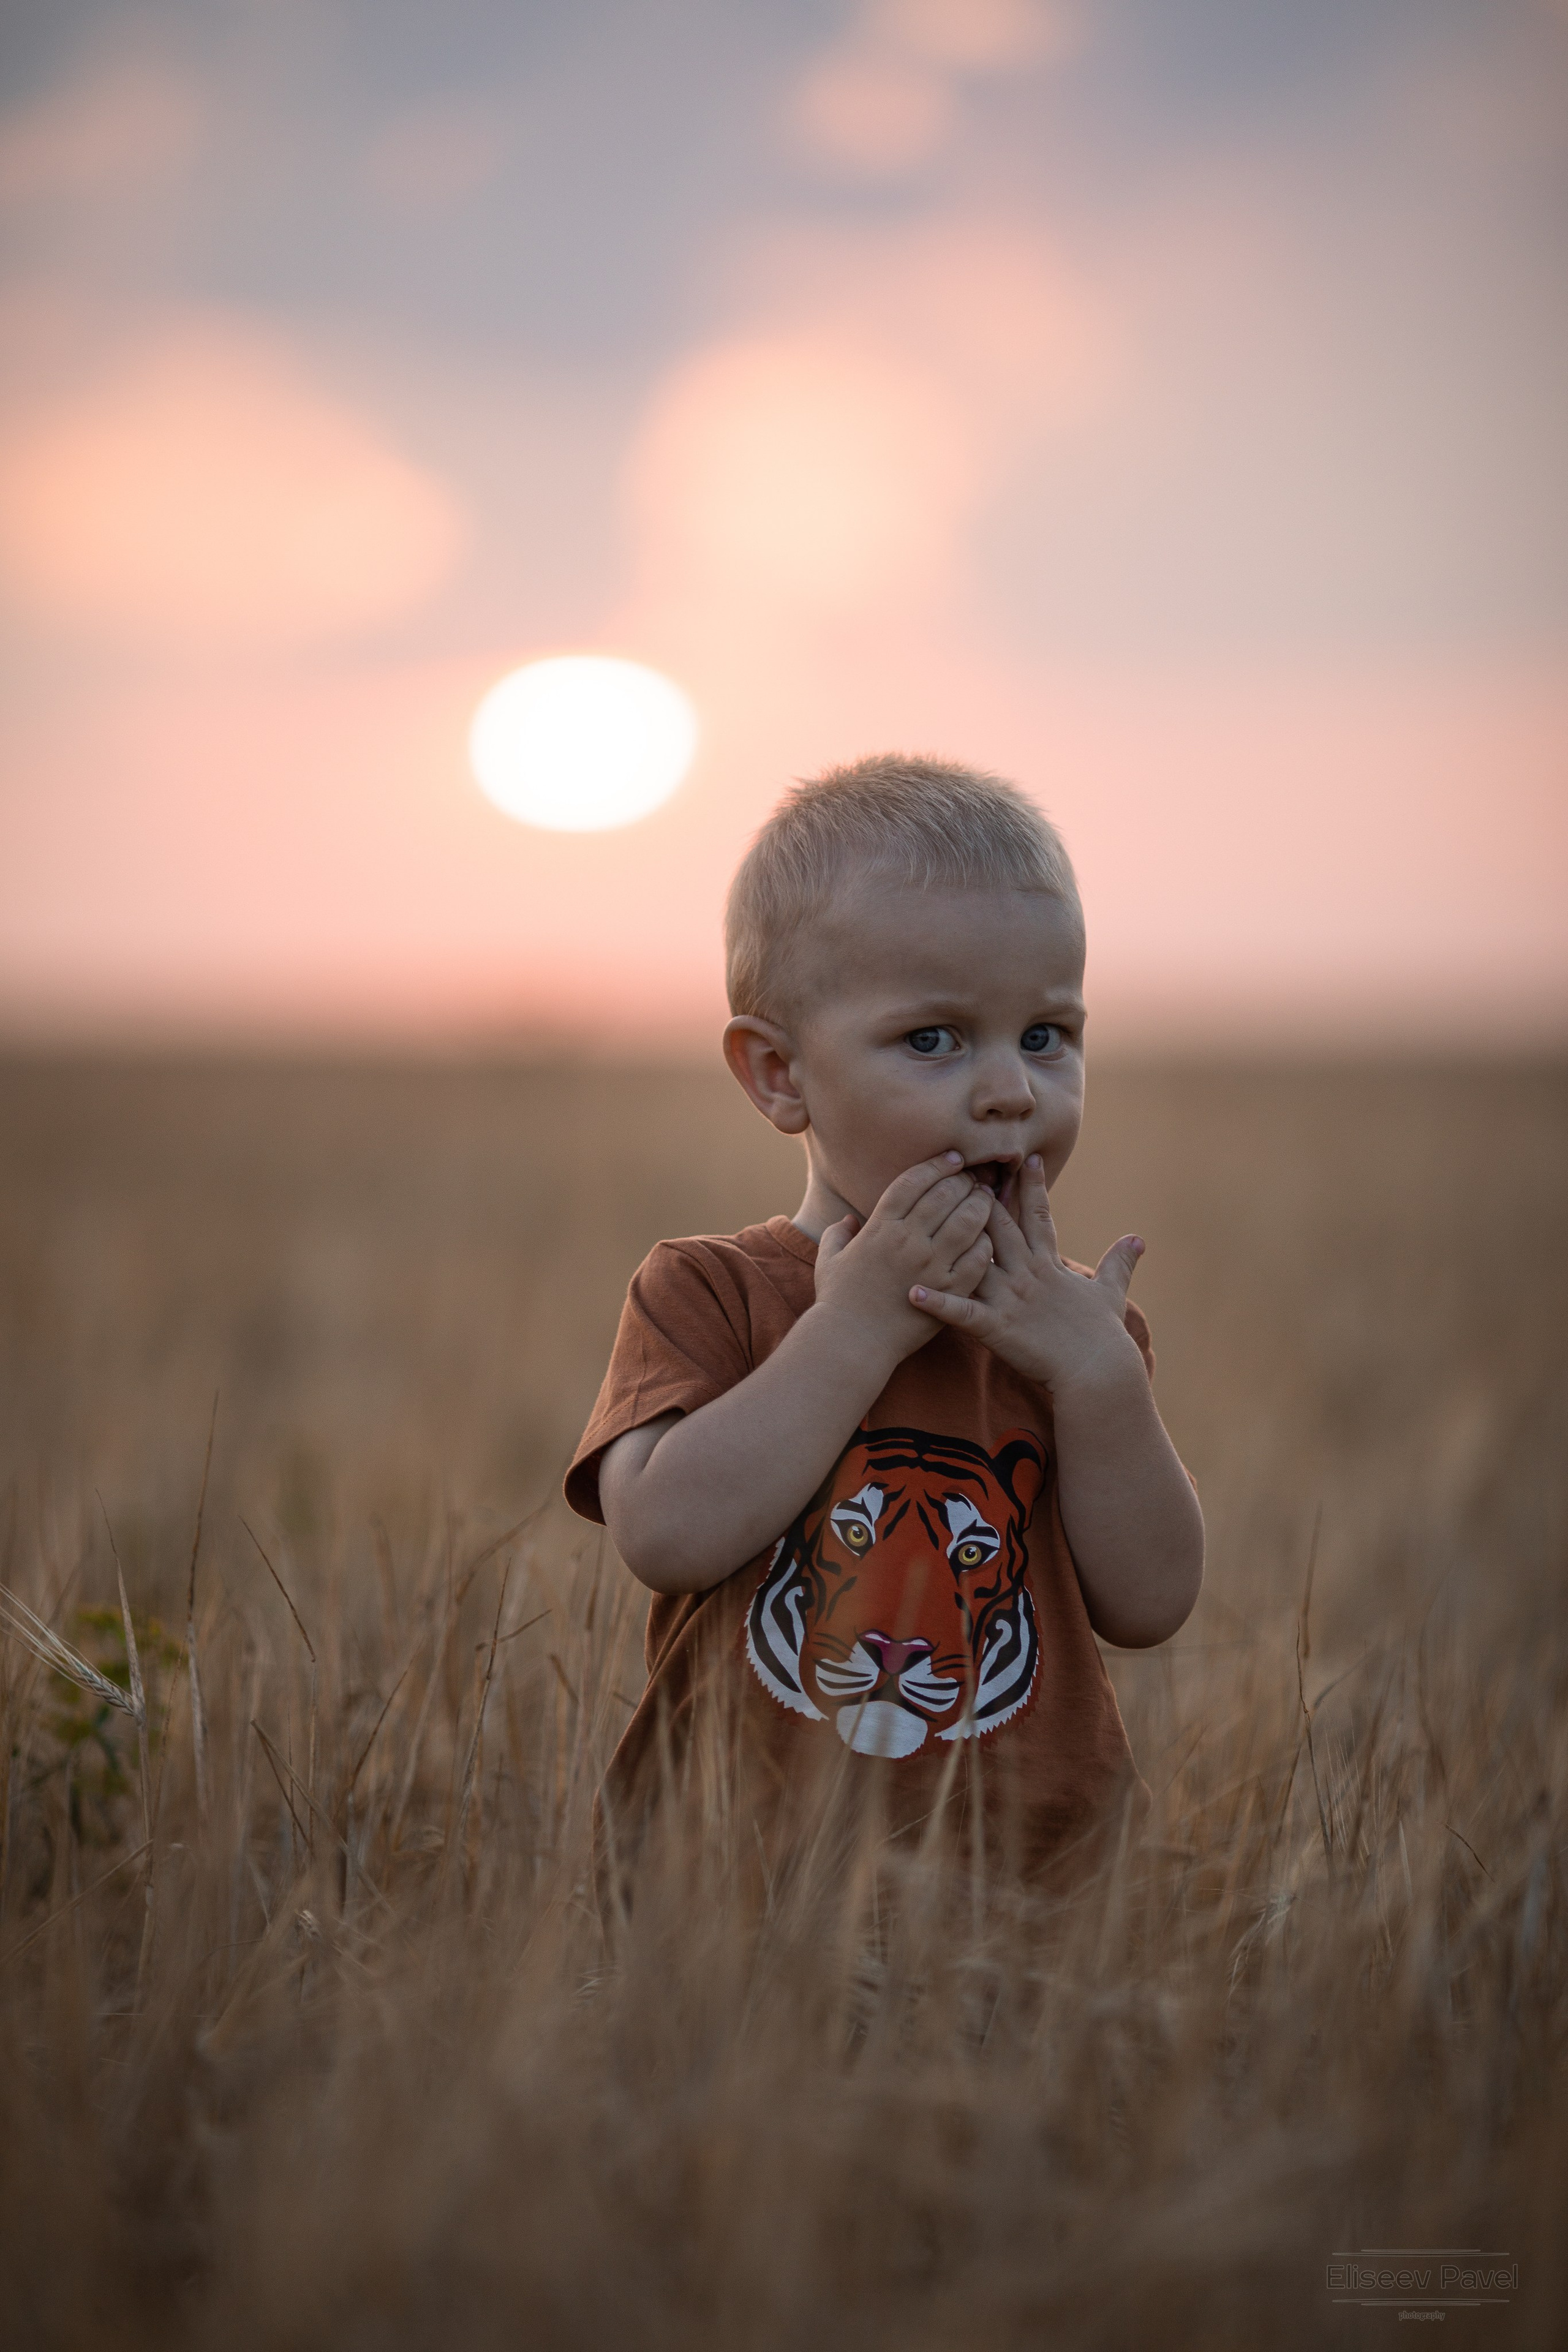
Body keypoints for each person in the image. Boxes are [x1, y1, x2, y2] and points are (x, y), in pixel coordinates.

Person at [565, 753, 1204, 1899]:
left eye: (1047, 1035)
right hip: (735, 1896)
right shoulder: (707, 1292)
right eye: (934, 1041)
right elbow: (666, 1535)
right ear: (778, 1076)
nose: (1011, 1089)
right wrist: (851, 1325)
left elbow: (1151, 1607)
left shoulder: (1077, 1331)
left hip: (1029, 1899)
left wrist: (1099, 1379)